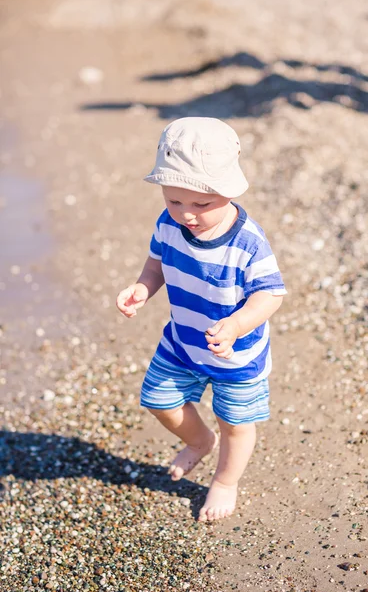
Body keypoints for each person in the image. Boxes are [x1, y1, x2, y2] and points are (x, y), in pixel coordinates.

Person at [116, 117, 287, 522]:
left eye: (200, 204)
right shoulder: (168, 225)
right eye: (174, 201)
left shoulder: (247, 242)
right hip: (182, 341)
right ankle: (198, 441)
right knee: (158, 399)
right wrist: (142, 287)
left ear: (228, 192)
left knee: (236, 424)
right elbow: (155, 264)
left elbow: (270, 295)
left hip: (236, 353)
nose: (186, 215)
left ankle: (225, 482)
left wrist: (237, 325)